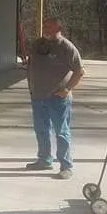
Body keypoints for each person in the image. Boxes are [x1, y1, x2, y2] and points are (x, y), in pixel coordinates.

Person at [25, 17, 85, 180]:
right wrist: (31, 87)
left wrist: (67, 89)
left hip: (57, 98)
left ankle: (66, 166)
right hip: (37, 96)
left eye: (50, 27)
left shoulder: (67, 47)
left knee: (61, 131)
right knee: (41, 130)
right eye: (44, 26)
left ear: (59, 28)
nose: (46, 29)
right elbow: (31, 66)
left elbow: (79, 71)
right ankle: (44, 160)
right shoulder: (37, 44)